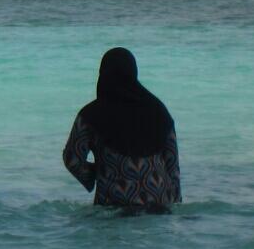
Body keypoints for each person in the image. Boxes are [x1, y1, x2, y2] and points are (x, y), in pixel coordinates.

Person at [63, 47, 181, 208]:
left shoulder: (90, 115)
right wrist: (176, 202)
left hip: (115, 202)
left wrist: (94, 175)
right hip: (159, 202)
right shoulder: (159, 110)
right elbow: (172, 165)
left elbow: (73, 159)